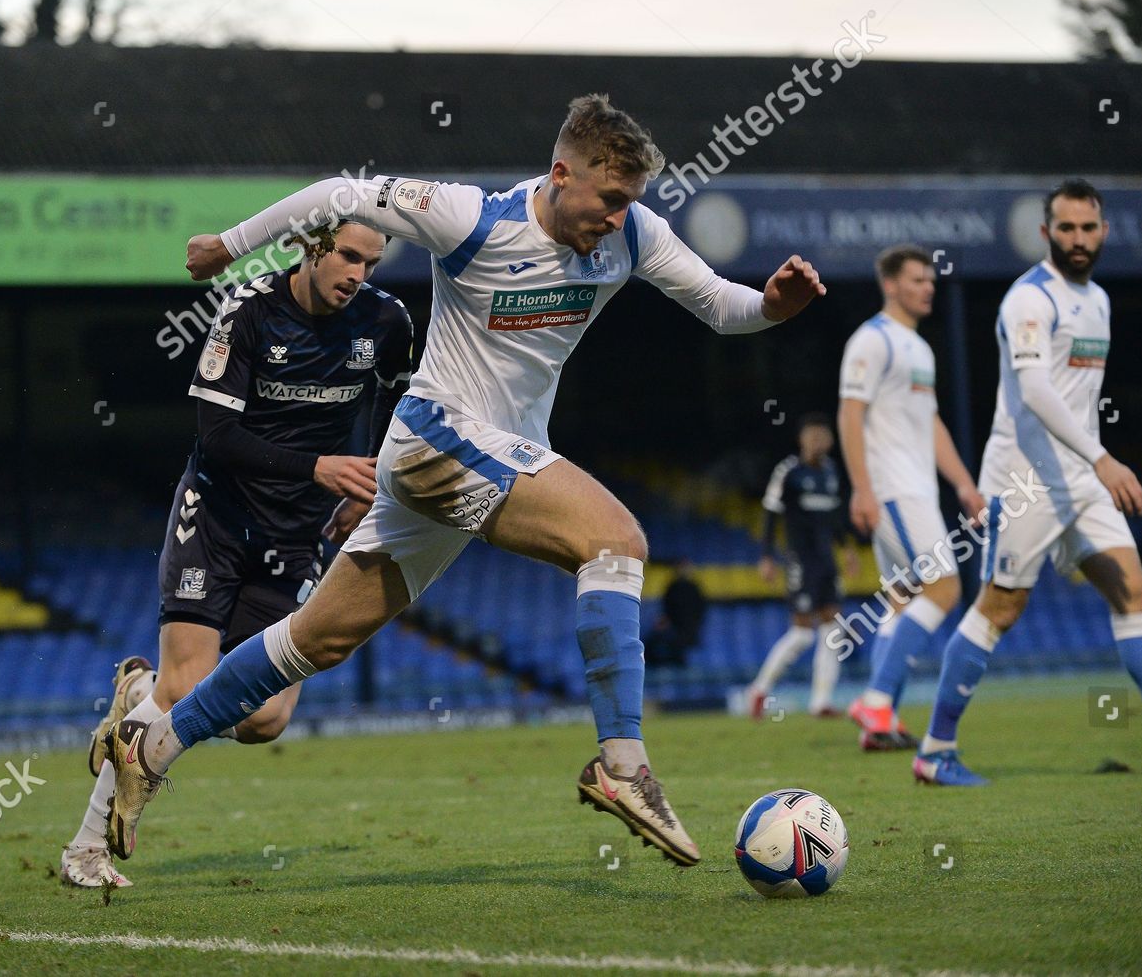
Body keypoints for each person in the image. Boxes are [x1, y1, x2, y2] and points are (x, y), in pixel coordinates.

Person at [104, 94, 826, 869]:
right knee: (615, 541)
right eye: (610, 198)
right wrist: (231, 243)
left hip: (487, 459)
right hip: (435, 439)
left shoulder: (636, 233)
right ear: (561, 174)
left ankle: (154, 743)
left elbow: (722, 305)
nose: (618, 217)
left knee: (316, 640)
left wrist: (771, 307)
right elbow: (341, 194)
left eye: (631, 203)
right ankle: (623, 769)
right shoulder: (471, 217)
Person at [59, 221, 412, 887]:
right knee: (186, 686)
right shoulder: (248, 310)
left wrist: (371, 490)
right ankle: (85, 848)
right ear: (310, 248)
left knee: (266, 718)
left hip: (301, 536)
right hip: (217, 518)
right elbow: (217, 436)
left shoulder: (386, 321)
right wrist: (319, 469)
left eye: (370, 262)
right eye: (347, 256)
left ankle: (137, 691)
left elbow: (402, 408)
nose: (358, 274)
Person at [915, 178, 1142, 785]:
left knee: (1136, 593)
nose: (1079, 239)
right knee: (1001, 607)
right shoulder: (1029, 300)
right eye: (1067, 228)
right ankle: (933, 751)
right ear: (1046, 232)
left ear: (1104, 231)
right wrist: (1104, 457)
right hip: (1027, 478)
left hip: (1083, 478)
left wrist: (1094, 463)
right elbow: (1035, 392)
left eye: (1089, 228)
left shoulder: (1100, 301)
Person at [838, 244, 985, 751]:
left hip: (916, 488)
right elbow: (849, 414)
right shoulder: (872, 341)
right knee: (945, 590)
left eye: (931, 280)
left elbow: (932, 423)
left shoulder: (919, 348)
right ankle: (877, 700)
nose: (929, 288)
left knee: (900, 602)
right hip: (895, 490)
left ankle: (879, 723)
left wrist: (964, 483)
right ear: (891, 284)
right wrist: (862, 488)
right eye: (919, 280)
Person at [746, 413, 858, 719]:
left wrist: (846, 549)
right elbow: (770, 512)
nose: (818, 441)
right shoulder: (789, 471)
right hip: (800, 559)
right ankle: (758, 690)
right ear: (802, 439)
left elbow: (835, 516)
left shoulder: (832, 473)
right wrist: (766, 555)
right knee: (802, 633)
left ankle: (820, 701)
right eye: (812, 435)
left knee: (833, 630)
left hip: (826, 560)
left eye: (823, 435)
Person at [644, 559, 705, 668]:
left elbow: (700, 610)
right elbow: (666, 606)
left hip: (687, 631)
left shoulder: (695, 588)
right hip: (673, 629)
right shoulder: (672, 587)